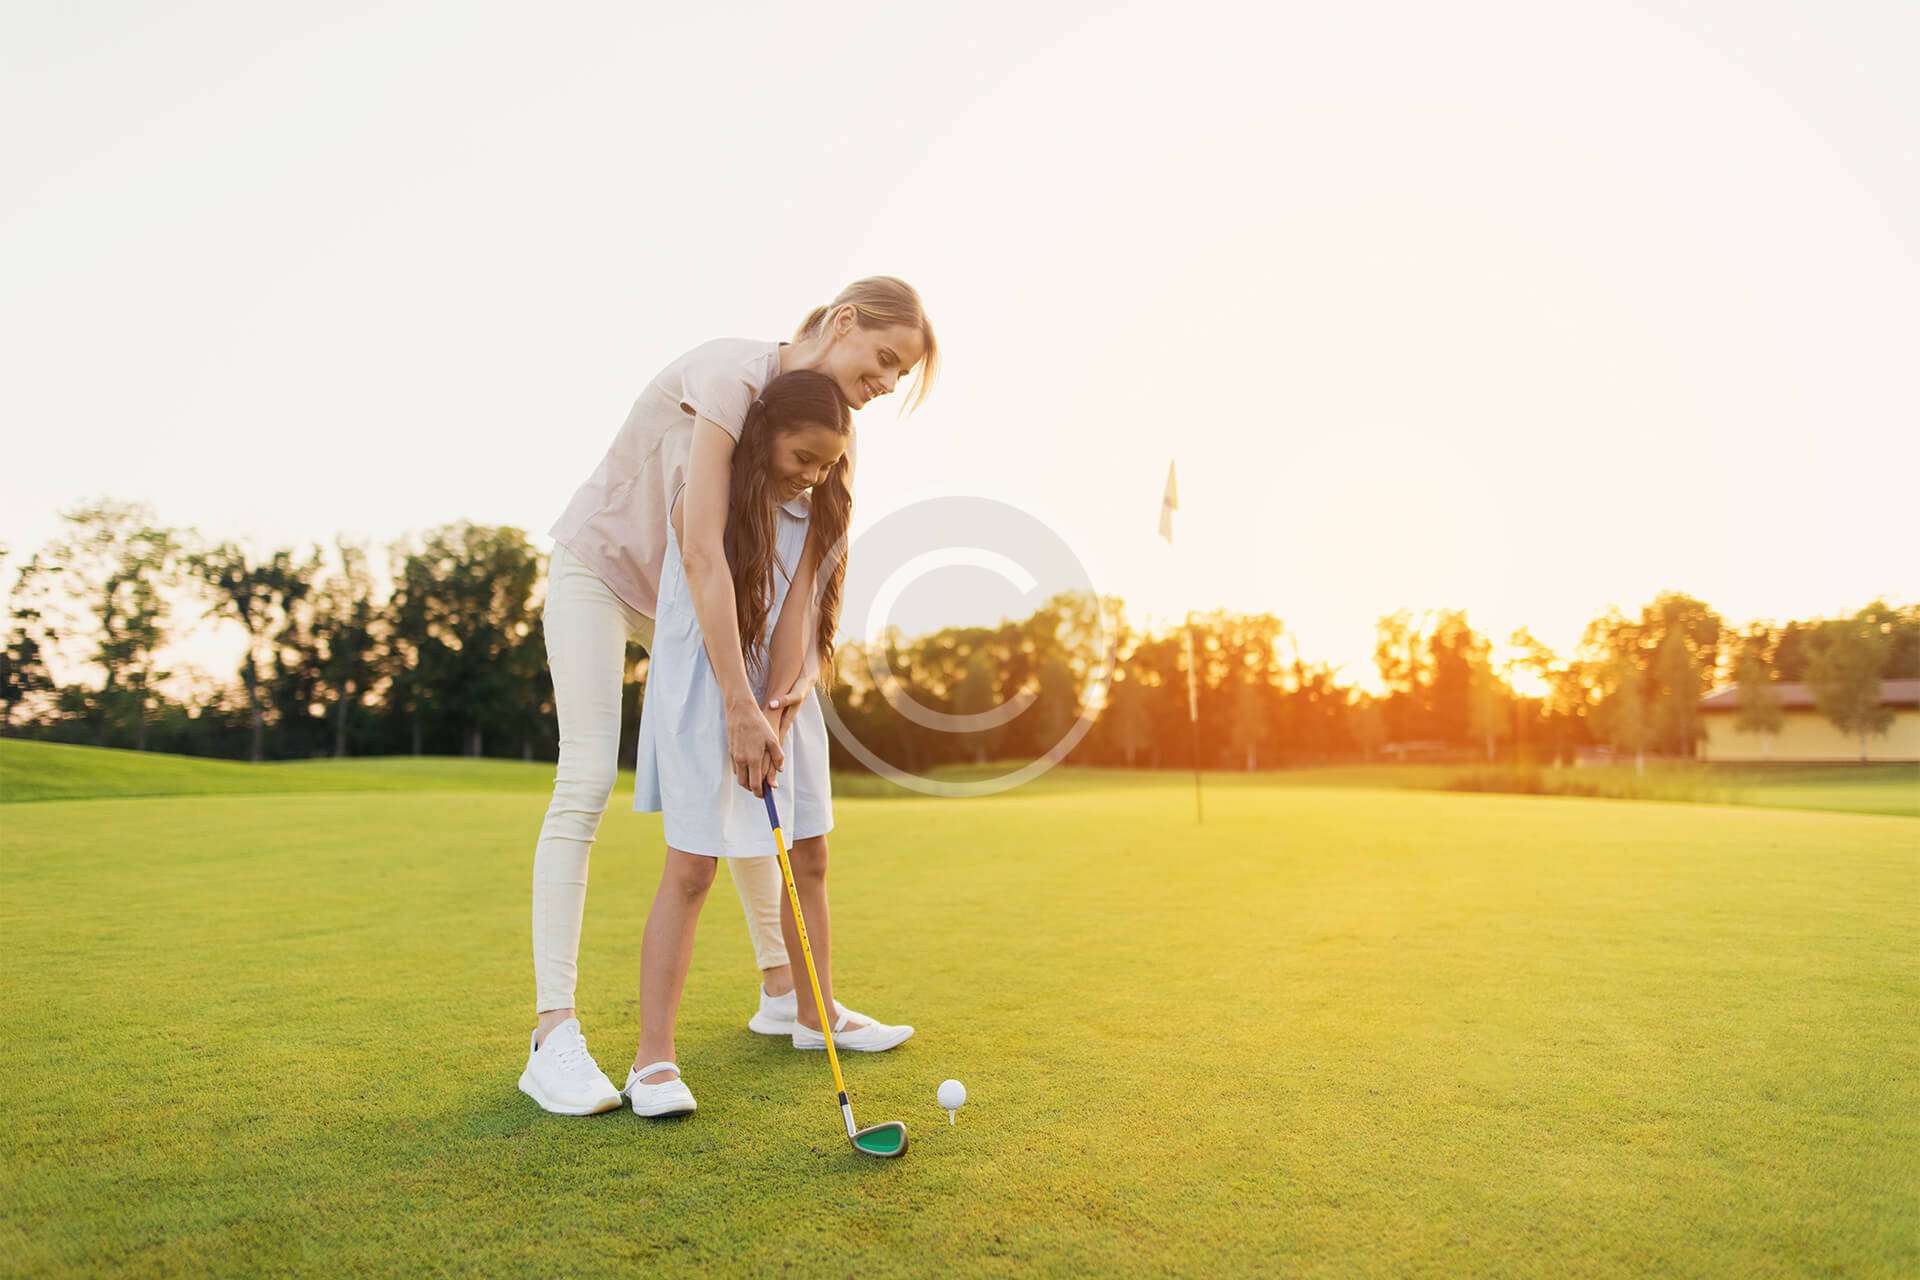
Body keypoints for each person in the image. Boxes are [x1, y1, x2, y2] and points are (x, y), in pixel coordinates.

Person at [518, 278, 937, 1116]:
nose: (887, 382)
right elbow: (704, 554)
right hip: (608, 576)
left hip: (694, 602)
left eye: (901, 375)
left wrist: (781, 693)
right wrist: (740, 705)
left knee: (754, 785)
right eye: (885, 358)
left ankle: (788, 993)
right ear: (844, 321)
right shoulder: (729, 378)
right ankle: (552, 1036)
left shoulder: (824, 434)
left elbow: (804, 586)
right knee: (587, 776)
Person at [624, 370, 912, 1116]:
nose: (811, 476)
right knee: (692, 869)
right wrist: (740, 707)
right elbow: (701, 578)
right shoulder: (710, 495)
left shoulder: (817, 512)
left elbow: (801, 621)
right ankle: (652, 1060)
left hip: (775, 693)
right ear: (764, 436)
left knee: (808, 853)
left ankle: (811, 1015)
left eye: (826, 464)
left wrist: (782, 704)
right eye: (802, 458)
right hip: (706, 686)